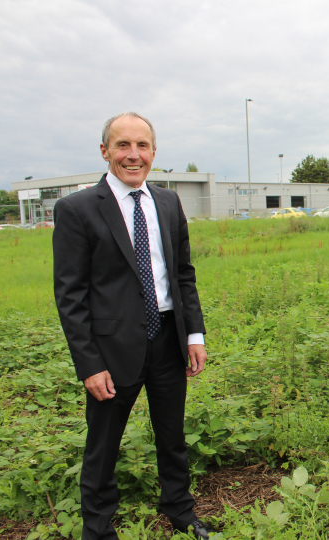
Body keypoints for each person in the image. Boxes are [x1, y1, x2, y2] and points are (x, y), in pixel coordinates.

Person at [53, 112, 212, 539]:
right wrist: (89, 364)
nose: (133, 154)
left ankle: (179, 510)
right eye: (122, 145)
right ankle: (98, 528)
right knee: (102, 446)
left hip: (166, 340)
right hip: (110, 350)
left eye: (142, 146)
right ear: (104, 151)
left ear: (154, 153)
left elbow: (182, 274)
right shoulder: (77, 209)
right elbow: (70, 296)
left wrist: (193, 335)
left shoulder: (167, 202)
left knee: (172, 436)